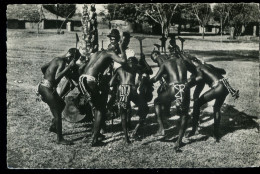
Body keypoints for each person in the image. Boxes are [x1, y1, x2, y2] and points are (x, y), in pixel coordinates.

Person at [78, 29, 127, 147]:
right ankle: (95, 139)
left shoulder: (96, 53)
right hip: (90, 80)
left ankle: (96, 133)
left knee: (96, 107)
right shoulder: (111, 53)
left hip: (82, 79)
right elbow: (123, 61)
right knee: (100, 110)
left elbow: (81, 68)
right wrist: (121, 48)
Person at [183, 56, 239, 141]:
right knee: (216, 108)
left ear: (194, 62)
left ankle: (194, 130)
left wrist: (187, 83)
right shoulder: (208, 65)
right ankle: (216, 134)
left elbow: (200, 78)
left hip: (218, 87)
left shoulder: (198, 68)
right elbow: (223, 71)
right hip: (226, 88)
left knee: (197, 104)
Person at [149, 49, 192, 151]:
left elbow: (155, 78)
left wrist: (147, 81)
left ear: (169, 56)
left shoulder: (166, 62)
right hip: (185, 88)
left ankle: (161, 128)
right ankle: (179, 141)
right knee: (184, 114)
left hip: (173, 88)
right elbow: (195, 72)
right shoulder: (184, 61)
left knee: (157, 102)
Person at [36, 48, 81, 145]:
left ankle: (53, 126)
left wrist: (48, 77)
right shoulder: (63, 62)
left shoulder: (56, 59)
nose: (73, 62)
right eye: (74, 60)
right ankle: (59, 139)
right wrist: (68, 67)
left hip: (44, 85)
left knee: (61, 104)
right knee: (57, 113)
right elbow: (56, 77)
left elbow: (43, 68)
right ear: (70, 56)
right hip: (47, 88)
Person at [109, 56, 149, 144]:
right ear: (135, 62)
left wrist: (118, 81)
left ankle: (126, 138)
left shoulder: (119, 69)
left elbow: (111, 83)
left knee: (123, 113)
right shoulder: (136, 67)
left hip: (122, 89)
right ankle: (136, 130)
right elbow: (147, 72)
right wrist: (144, 61)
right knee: (145, 108)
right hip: (132, 89)